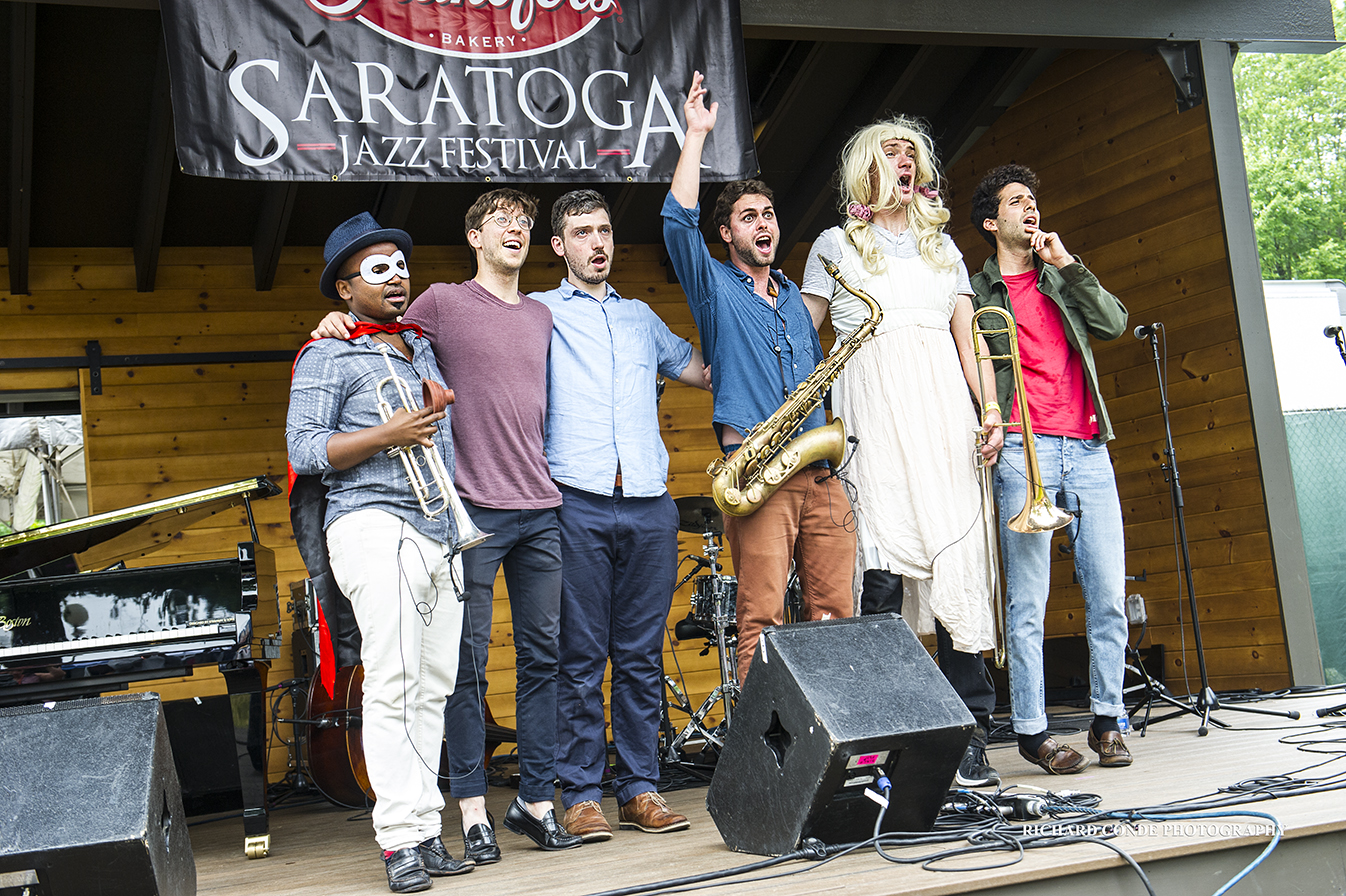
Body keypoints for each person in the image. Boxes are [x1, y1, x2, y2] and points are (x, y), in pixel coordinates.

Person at [312, 189, 581, 862]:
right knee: (460, 668)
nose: (516, 229)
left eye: (525, 221)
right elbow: (373, 326)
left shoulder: (545, 315)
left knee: (542, 660)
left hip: (539, 508)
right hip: (466, 512)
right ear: (474, 237)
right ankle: (469, 809)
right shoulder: (438, 301)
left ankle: (535, 801)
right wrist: (332, 321)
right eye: (502, 221)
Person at [799, 117, 1005, 788]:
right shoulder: (835, 244)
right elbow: (799, 336)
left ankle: (970, 732)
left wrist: (992, 409)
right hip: (872, 417)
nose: (906, 161)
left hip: (945, 416)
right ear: (866, 167)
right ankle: (880, 736)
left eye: (913, 152)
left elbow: (969, 336)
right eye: (892, 151)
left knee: (958, 563)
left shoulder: (942, 246)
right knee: (881, 571)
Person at [287, 212, 474, 892]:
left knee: (433, 687)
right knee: (393, 682)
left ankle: (425, 826)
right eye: (378, 269)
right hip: (370, 522)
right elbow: (304, 449)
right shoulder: (326, 354)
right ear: (344, 288)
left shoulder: (417, 347)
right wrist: (386, 434)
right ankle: (397, 839)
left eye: (401, 266)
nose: (397, 278)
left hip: (438, 527)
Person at [663, 71, 857, 684]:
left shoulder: (799, 299)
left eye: (769, 214)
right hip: (758, 470)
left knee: (836, 616)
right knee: (763, 619)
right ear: (727, 235)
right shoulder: (714, 286)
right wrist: (696, 135)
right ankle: (764, 769)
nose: (764, 224)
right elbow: (675, 224)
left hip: (822, 474)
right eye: (749, 217)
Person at [533, 189, 709, 841]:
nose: (597, 243)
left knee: (638, 656)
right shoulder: (536, 313)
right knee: (578, 657)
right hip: (574, 502)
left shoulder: (641, 320)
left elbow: (703, 369)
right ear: (559, 246)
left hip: (648, 507)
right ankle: (580, 794)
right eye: (582, 233)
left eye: (604, 231)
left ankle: (640, 789)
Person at [969, 164, 1133, 774]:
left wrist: (1068, 262)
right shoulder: (978, 291)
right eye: (1017, 202)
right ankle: (1035, 732)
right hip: (1020, 445)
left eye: (1034, 201)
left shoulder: (1059, 275)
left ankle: (1107, 720)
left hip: (1088, 446)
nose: (1031, 210)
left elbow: (1113, 323)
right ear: (993, 222)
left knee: (1108, 595)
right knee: (1028, 604)